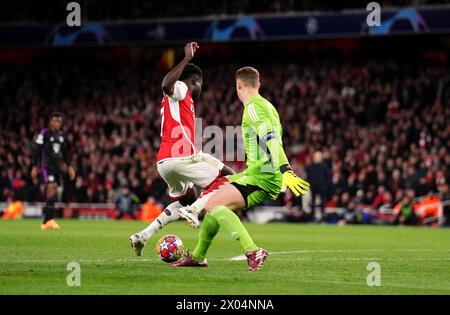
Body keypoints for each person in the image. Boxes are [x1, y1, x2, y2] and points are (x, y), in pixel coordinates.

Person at [174, 66, 310, 271]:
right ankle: (198, 256)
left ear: (238, 85)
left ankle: (252, 250)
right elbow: (273, 141)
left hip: (262, 177)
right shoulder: (267, 106)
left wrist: (285, 169)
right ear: (259, 84)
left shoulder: (254, 107)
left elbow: (271, 140)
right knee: (212, 200)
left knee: (213, 205)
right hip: (256, 173)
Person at [129, 42, 234, 255]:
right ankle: (194, 211)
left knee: (187, 199)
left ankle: (144, 236)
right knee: (229, 177)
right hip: (182, 155)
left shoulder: (179, 104)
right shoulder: (182, 88)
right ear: (195, 80)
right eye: (201, 84)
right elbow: (166, 85)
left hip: (165, 163)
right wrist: (185, 59)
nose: (201, 90)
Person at [31, 111, 75, 230]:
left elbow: (65, 153)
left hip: (56, 168)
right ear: (50, 122)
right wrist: (34, 166)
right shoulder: (44, 133)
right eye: (55, 121)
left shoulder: (62, 136)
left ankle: (48, 220)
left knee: (54, 191)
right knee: (51, 186)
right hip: (46, 166)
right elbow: (37, 150)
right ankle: (47, 221)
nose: (57, 123)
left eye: (59, 121)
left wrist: (69, 166)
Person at [305, 151, 330, 221]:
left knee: (322, 203)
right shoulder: (310, 167)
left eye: (318, 157)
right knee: (312, 203)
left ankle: (323, 217)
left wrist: (325, 187)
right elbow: (308, 177)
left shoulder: (324, 167)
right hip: (313, 187)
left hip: (322, 188)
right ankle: (312, 217)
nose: (317, 158)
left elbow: (327, 177)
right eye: (316, 157)